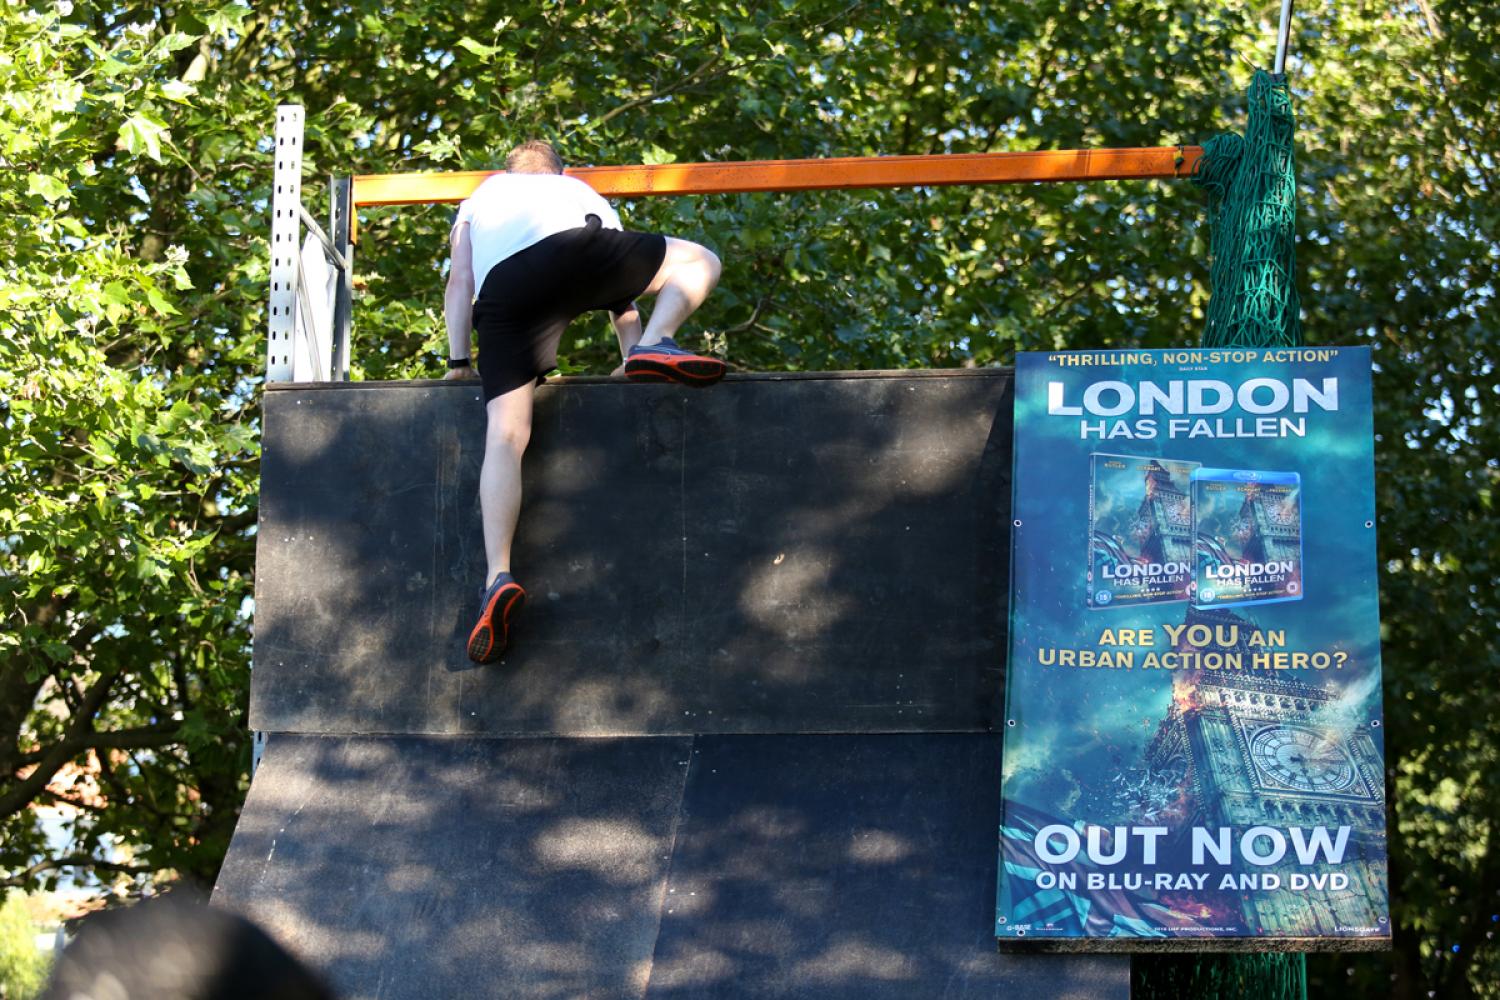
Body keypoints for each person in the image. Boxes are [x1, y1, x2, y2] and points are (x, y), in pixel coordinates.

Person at [442, 140, 724, 663]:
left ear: (508, 170)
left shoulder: (480, 198)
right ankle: (657, 344)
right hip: (578, 250)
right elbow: (621, 296)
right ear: (559, 171)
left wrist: (460, 361)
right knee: (701, 261)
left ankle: (497, 575)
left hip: (505, 294)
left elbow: (461, 280)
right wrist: (633, 352)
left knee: (506, 436)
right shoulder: (577, 191)